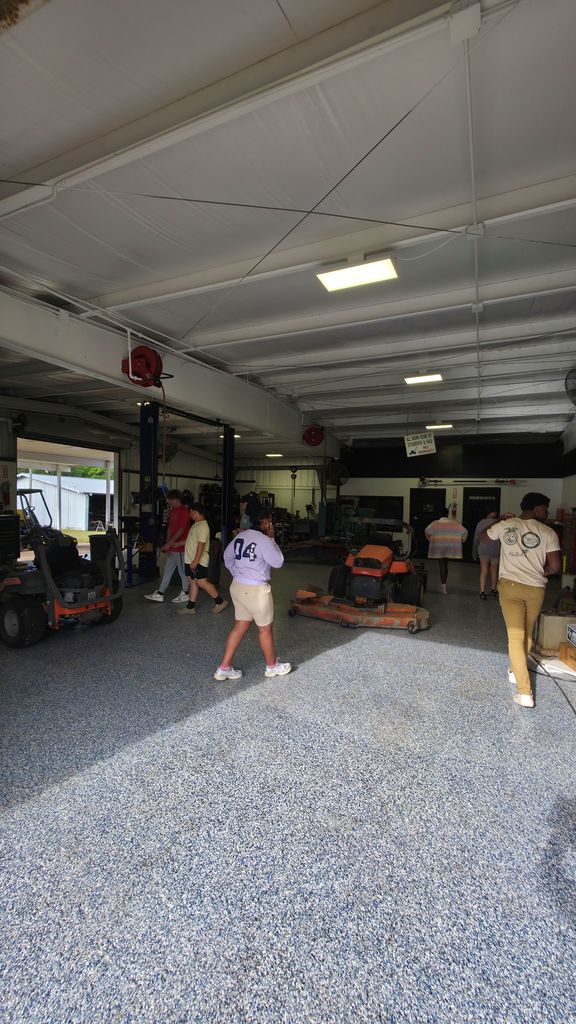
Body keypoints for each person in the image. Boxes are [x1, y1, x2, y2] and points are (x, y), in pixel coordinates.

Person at [481, 492, 561, 709]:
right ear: (536, 509)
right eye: (545, 508)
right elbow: (555, 567)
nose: (546, 513)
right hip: (536, 588)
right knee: (526, 632)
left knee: (515, 637)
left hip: (510, 587)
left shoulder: (506, 524)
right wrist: (539, 574)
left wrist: (499, 520)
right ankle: (515, 671)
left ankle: (524, 691)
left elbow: (484, 539)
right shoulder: (548, 532)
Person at [214, 505, 291, 682]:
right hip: (256, 591)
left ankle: (224, 668)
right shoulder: (264, 540)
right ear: (265, 522)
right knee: (264, 629)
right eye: (270, 521)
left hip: (238, 587)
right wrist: (272, 539)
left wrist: (238, 573)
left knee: (240, 625)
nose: (271, 524)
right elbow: (278, 561)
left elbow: (227, 557)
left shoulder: (241, 536)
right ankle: (272, 667)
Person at [178, 503, 228, 616]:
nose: (190, 515)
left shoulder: (203, 526)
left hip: (198, 560)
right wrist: (176, 543)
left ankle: (220, 602)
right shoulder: (196, 524)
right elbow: (191, 541)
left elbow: (201, 544)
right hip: (190, 560)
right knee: (192, 582)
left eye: (191, 512)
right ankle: (190, 607)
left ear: (195, 512)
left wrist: (195, 561)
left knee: (201, 582)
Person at [145, 489, 190, 603]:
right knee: (167, 570)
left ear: (177, 499)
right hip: (172, 547)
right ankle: (160, 593)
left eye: (171, 499)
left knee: (182, 571)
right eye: (168, 499)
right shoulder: (172, 511)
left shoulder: (184, 511)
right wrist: (168, 543)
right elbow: (170, 527)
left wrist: (170, 544)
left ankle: (185, 593)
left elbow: (181, 529)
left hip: (180, 548)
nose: (169, 501)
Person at [424, 508, 468, 594]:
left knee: (442, 565)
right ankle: (443, 586)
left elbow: (426, 531)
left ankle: (443, 587)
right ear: (447, 514)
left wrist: (431, 539)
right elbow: (465, 531)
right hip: (450, 547)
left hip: (439, 547)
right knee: (445, 565)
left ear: (439, 514)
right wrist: (460, 541)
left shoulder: (434, 524)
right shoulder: (454, 523)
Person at [472, 508, 500, 599]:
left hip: (483, 549)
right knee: (494, 571)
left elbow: (476, 538)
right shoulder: (499, 523)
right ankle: (493, 590)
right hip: (496, 549)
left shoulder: (480, 523)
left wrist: (474, 553)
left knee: (484, 570)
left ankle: (482, 591)